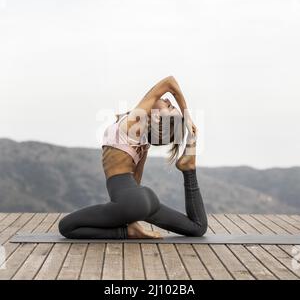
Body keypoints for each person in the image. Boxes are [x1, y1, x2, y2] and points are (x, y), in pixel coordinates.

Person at [58, 76, 208, 239]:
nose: (166, 99)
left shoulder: (133, 122)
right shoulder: (142, 139)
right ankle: (189, 169)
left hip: (131, 202)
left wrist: (188, 117)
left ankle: (126, 233)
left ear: (158, 118)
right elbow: (135, 179)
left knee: (66, 226)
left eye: (168, 105)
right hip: (145, 199)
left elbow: (169, 82)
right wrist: (132, 218)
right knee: (197, 227)